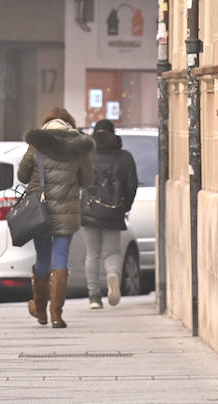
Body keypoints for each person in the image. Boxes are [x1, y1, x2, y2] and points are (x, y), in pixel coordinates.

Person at [17, 108, 94, 328]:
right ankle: (57, 315)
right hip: (67, 212)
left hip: (39, 212)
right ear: (70, 124)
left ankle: (40, 310)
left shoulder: (37, 145)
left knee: (43, 257)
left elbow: (22, 175)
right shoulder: (78, 147)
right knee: (60, 259)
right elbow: (88, 180)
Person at [79, 118, 138, 309]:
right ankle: (113, 275)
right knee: (112, 251)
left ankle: (94, 296)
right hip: (114, 210)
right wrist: (125, 206)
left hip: (90, 209)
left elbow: (79, 180)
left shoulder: (86, 155)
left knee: (92, 254)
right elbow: (131, 186)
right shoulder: (124, 157)